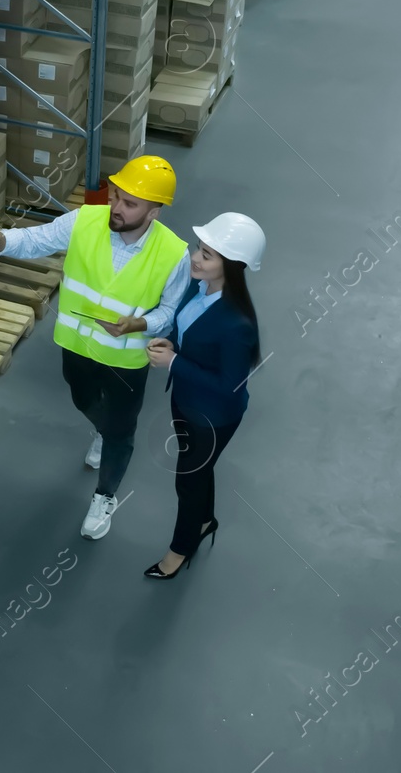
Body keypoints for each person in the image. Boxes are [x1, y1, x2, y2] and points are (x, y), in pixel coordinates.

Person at [0, 156, 191, 540]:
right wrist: (1, 240)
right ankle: (103, 430)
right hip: (77, 345)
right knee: (83, 399)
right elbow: (38, 239)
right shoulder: (85, 220)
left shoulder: (174, 255)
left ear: (155, 211)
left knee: (122, 431)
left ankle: (105, 495)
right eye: (116, 196)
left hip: (125, 361)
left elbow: (169, 311)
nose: (117, 208)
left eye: (130, 204)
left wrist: (139, 324)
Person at [143, 212, 265, 579]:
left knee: (188, 479)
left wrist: (174, 361)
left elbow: (230, 385)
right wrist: (175, 344)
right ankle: (205, 521)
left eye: (208, 255)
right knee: (198, 469)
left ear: (232, 265)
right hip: (186, 402)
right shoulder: (201, 289)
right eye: (200, 249)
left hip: (213, 416)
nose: (196, 257)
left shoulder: (236, 324)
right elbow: (192, 335)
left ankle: (180, 550)